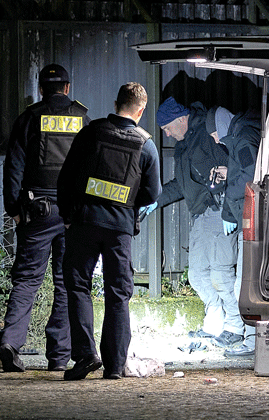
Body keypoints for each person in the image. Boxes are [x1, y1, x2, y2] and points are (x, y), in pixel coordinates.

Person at [57, 82, 160, 380]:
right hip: (119, 228)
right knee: (117, 294)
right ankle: (114, 366)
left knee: (78, 286)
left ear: (116, 104)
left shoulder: (91, 132)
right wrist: (128, 204)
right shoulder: (146, 144)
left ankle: (85, 355)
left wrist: (67, 215)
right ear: (141, 111)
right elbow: (152, 193)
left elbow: (66, 177)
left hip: (84, 222)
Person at [0, 64, 89, 372]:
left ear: (41, 89)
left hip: (36, 210)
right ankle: (59, 357)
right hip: (71, 213)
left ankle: (10, 343)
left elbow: (13, 166)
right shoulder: (82, 118)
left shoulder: (29, 118)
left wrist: (13, 209)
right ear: (67, 88)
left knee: (26, 280)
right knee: (65, 284)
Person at [155, 96, 243, 348]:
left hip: (220, 210)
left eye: (168, 128)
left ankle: (235, 326)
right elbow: (181, 185)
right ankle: (214, 323)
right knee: (196, 275)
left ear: (181, 119)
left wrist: (229, 210)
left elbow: (232, 170)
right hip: (201, 215)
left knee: (221, 273)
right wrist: (155, 201)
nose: (167, 134)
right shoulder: (184, 144)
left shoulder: (207, 134)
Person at [205, 106, 261, 357]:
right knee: (243, 281)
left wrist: (228, 204)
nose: (216, 140)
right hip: (248, 218)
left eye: (214, 134)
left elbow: (250, 175)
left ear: (221, 127)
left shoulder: (243, 138)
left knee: (244, 283)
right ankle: (250, 338)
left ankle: (253, 341)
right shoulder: (241, 136)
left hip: (251, 219)